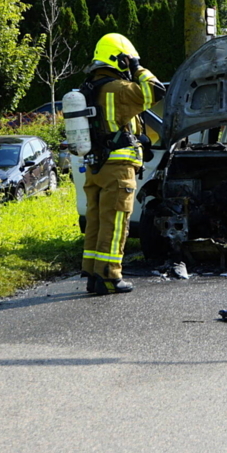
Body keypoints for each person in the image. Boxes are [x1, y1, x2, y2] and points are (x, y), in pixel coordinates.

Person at [82, 33, 166, 295]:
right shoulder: (118, 89)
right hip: (117, 169)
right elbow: (155, 91)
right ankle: (110, 276)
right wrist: (138, 67)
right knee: (116, 220)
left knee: (96, 221)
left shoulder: (89, 89)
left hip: (95, 168)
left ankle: (94, 275)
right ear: (119, 60)